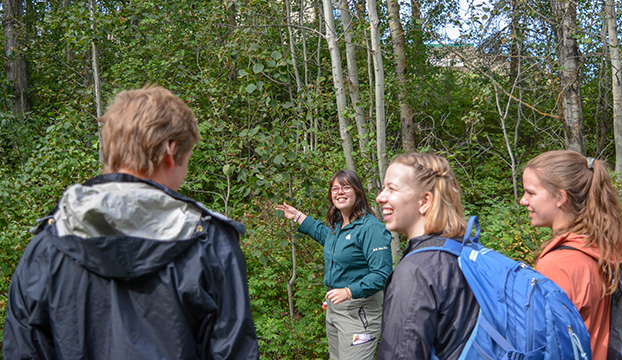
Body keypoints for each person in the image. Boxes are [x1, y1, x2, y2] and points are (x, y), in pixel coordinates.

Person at [3, 86, 259, 359]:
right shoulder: (208, 243)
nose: (185, 172)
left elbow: (23, 351)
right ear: (170, 151)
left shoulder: (47, 246)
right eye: (188, 160)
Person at [520, 150, 622, 360]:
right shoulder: (603, 247)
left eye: (531, 193)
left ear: (560, 197)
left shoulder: (559, 264)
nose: (523, 200)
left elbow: (545, 344)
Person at [276, 170, 392, 360]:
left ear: (358, 193)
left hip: (360, 313)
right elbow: (324, 235)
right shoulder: (338, 225)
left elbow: (382, 274)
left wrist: (348, 291)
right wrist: (298, 216)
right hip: (335, 309)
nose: (340, 192)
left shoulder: (371, 228)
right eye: (335, 189)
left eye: (346, 187)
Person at [375, 152, 479, 359]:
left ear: (424, 200)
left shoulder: (416, 271)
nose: (380, 197)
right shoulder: (465, 252)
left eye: (391, 189)